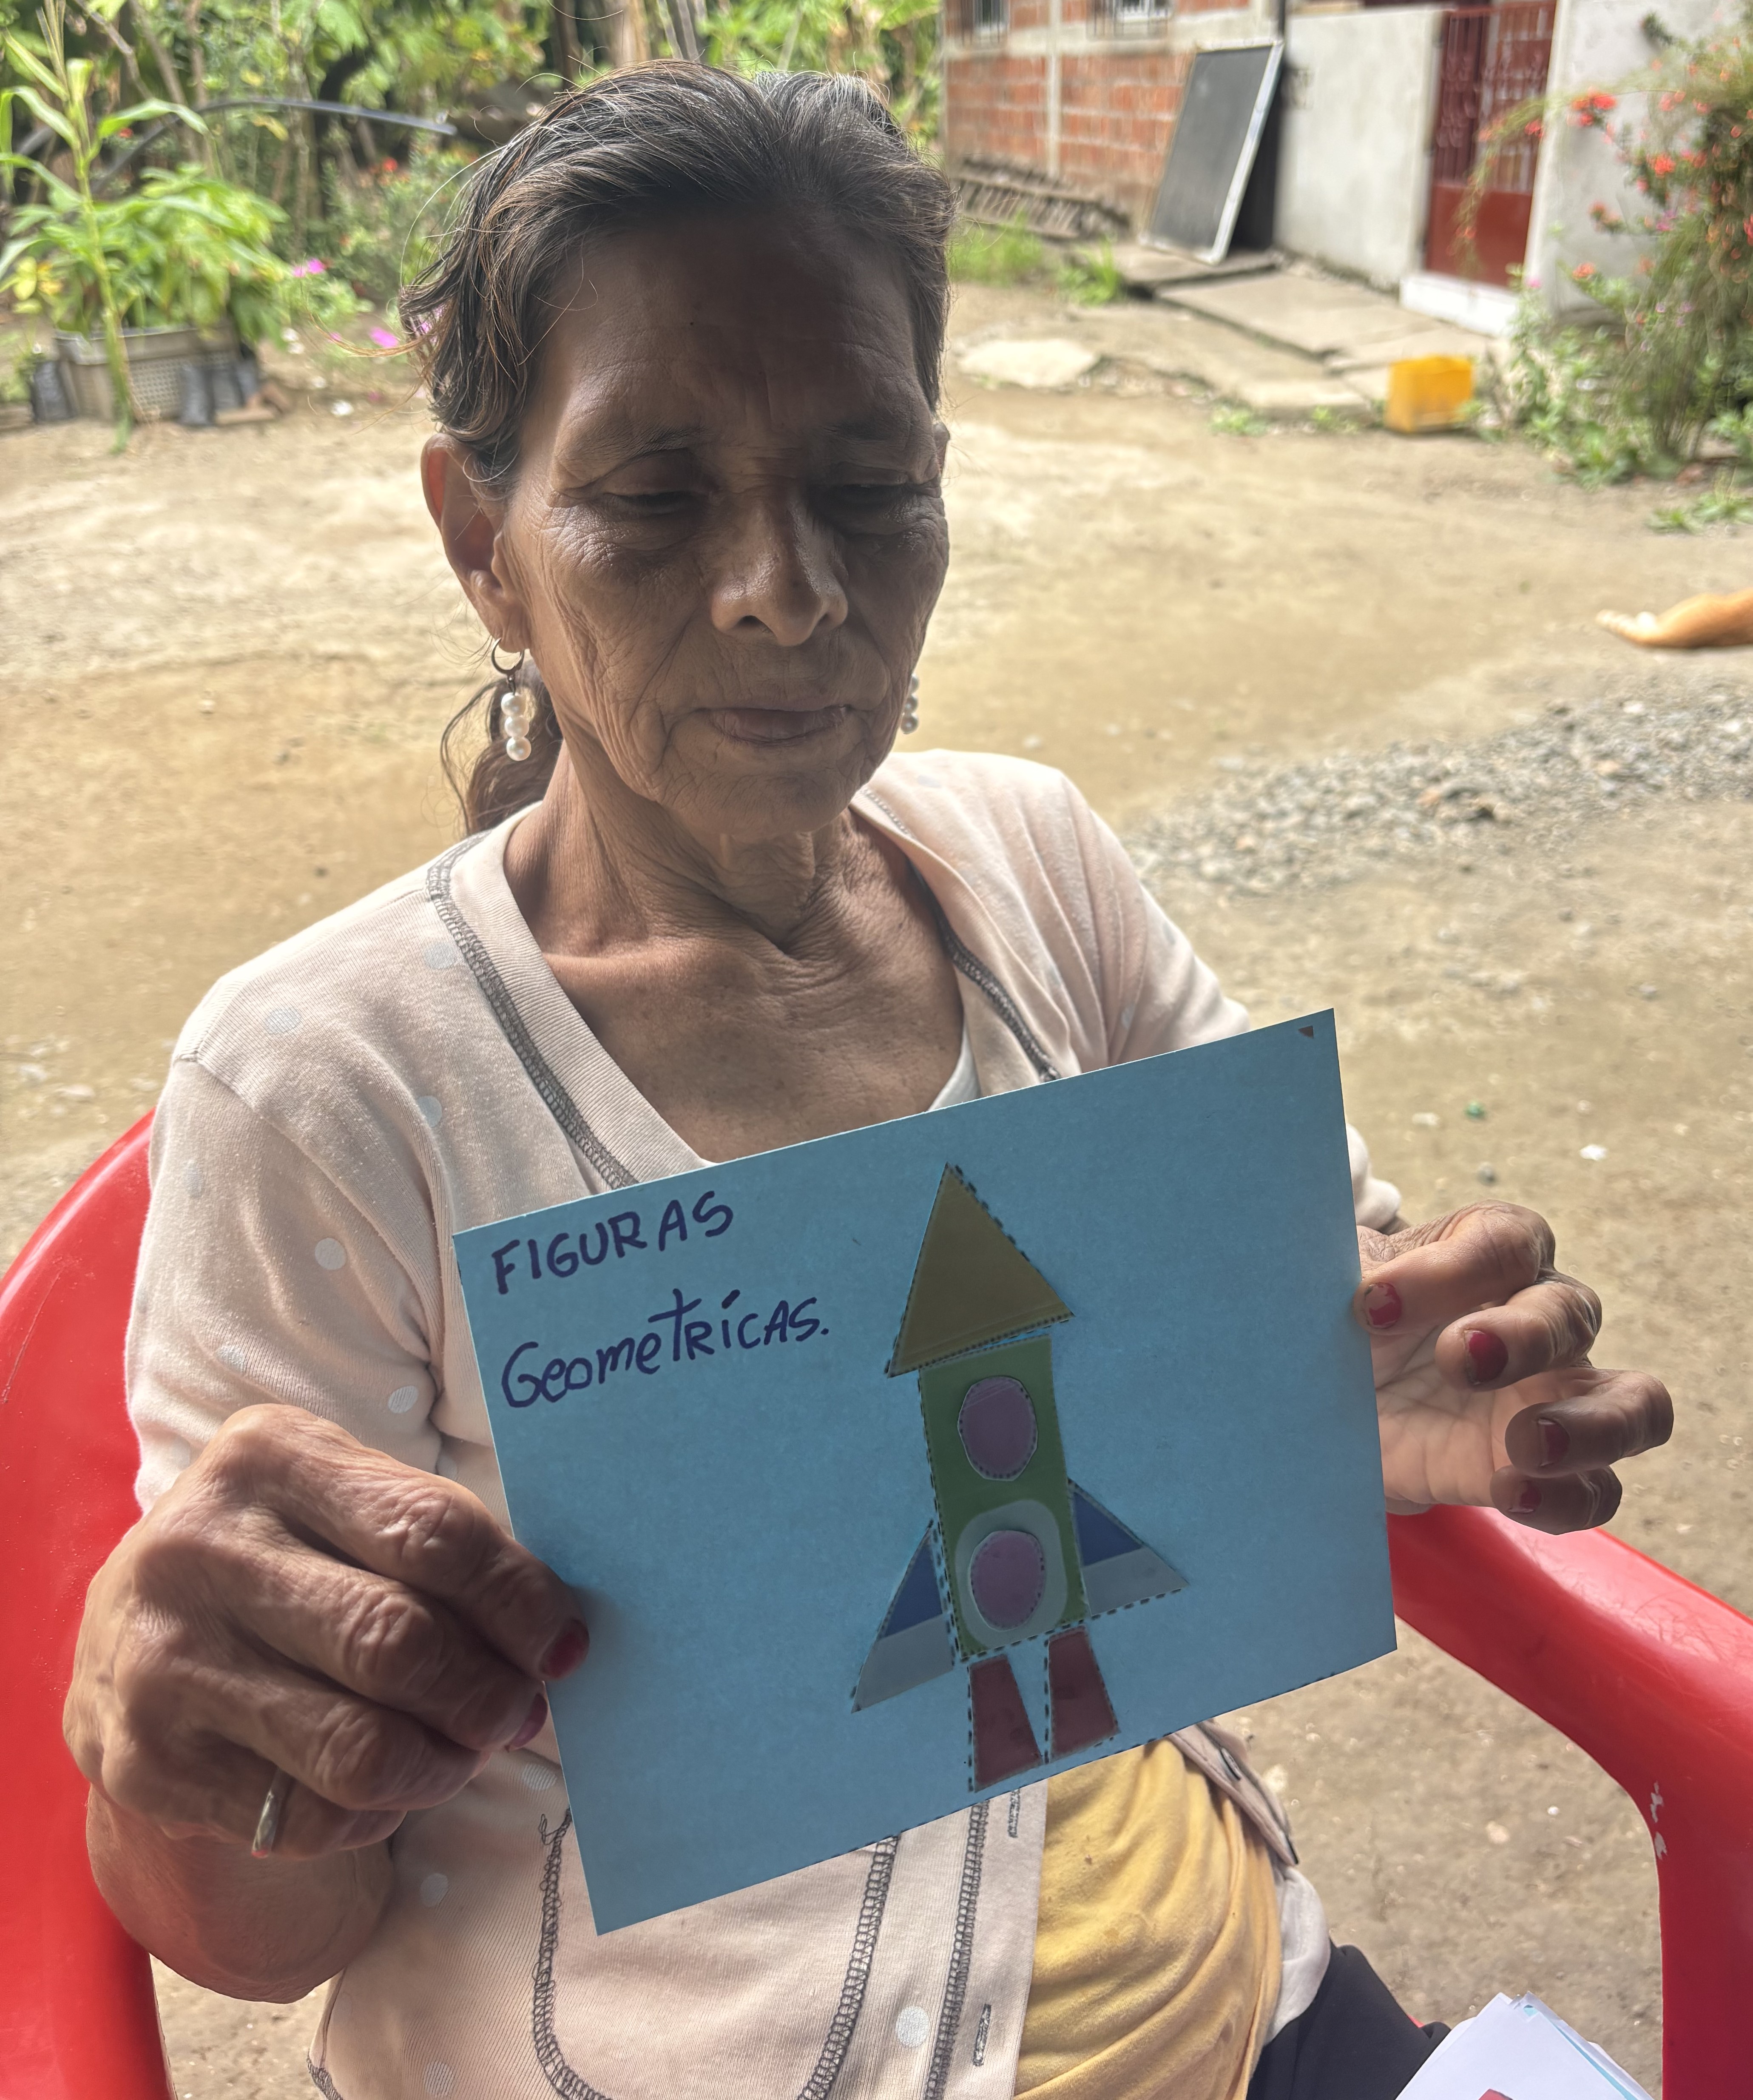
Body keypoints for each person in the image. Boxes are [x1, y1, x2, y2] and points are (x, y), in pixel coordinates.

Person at [63, 65, 1673, 2100]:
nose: (789, 588)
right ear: (484, 543)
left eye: (866, 484)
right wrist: (189, 1758)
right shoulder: (330, 1088)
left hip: (1244, 2010)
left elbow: (1312, 1308)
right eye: (655, 498)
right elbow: (253, 1923)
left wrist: (1376, 1372)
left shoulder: (1037, 866)